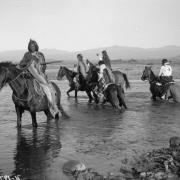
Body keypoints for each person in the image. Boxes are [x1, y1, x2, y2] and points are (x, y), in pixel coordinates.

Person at [19, 39, 60, 118]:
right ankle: (20, 106)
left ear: (36, 46)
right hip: (28, 75)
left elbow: (43, 66)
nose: (32, 47)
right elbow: (21, 63)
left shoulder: (40, 55)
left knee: (47, 88)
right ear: (29, 47)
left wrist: (38, 66)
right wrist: (27, 64)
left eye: (33, 46)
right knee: (19, 87)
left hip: (39, 75)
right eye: (31, 46)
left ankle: (51, 104)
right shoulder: (26, 55)